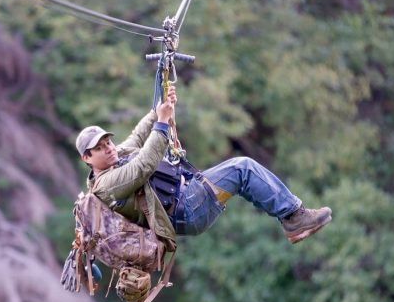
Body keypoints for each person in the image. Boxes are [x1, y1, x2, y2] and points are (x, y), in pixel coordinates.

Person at [76, 85, 332, 244]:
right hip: (185, 210)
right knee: (242, 168)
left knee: (243, 177)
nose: (108, 148)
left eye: (107, 142)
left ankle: (291, 218)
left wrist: (158, 110)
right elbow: (143, 166)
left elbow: (137, 137)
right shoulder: (106, 185)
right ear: (87, 159)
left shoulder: (116, 157)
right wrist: (163, 123)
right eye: (99, 148)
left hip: (187, 195)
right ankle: (294, 217)